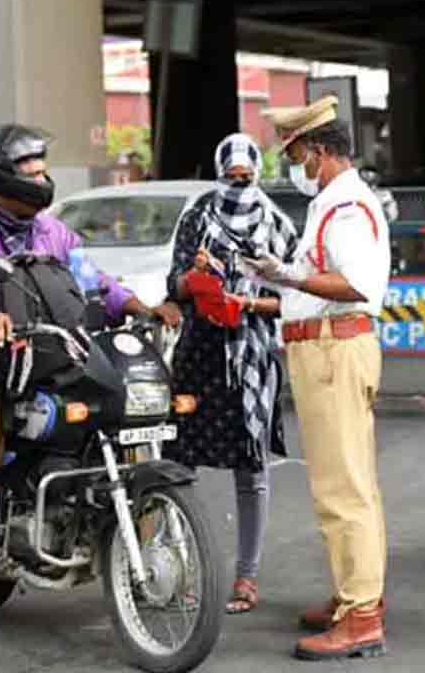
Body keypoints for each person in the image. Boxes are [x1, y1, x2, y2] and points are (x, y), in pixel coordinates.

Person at [0, 124, 179, 662]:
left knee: (129, 434)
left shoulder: (53, 234)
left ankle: (130, 557)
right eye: (29, 172)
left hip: (55, 364)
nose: (41, 179)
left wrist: (141, 307)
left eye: (42, 170)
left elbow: (95, 283)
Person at [253, 96, 391, 660]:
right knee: (350, 483)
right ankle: (354, 596)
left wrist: (286, 276)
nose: (295, 168)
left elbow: (355, 283)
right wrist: (274, 284)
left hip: (334, 351)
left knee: (343, 490)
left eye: (295, 157)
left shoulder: (346, 206)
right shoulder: (332, 203)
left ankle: (361, 617)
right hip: (327, 348)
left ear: (318, 151)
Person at [163, 133, 299, 615]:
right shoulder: (198, 217)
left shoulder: (278, 226)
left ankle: (247, 576)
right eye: (230, 176)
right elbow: (174, 285)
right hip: (199, 353)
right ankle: (179, 572)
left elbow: (292, 299)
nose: (238, 184)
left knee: (251, 469)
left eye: (245, 176)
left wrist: (247, 303)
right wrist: (196, 276)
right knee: (179, 464)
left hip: (251, 360)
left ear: (257, 174)